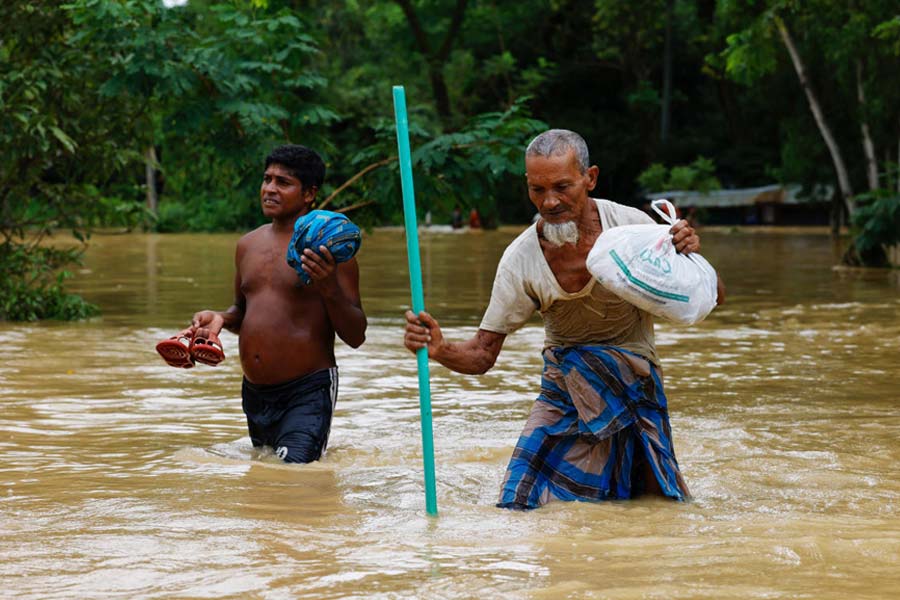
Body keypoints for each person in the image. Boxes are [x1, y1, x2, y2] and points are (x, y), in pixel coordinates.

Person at [404, 129, 724, 509]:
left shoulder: (632, 229)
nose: (549, 201)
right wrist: (439, 349)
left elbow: (712, 295)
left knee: (659, 505)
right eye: (537, 190)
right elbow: (482, 355)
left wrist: (688, 253)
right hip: (563, 392)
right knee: (517, 503)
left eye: (562, 186)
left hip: (635, 389)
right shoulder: (520, 259)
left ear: (590, 178)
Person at [189, 144, 367, 463]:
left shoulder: (329, 250)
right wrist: (218, 319)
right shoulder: (247, 245)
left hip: (308, 391)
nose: (270, 189)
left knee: (294, 476)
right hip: (255, 394)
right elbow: (241, 313)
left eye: (283, 182)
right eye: (267, 179)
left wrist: (328, 285)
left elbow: (356, 335)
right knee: (267, 484)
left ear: (309, 194)